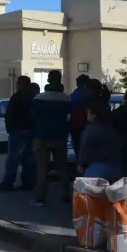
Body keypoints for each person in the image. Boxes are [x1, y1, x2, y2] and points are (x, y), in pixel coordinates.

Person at [30, 70, 71, 207]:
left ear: (48, 80)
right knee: (62, 168)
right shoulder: (66, 99)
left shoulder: (39, 98)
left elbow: (32, 117)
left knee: (41, 169)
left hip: (41, 137)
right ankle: (66, 196)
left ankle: (41, 198)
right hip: (60, 137)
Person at [0, 76, 36, 191]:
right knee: (28, 158)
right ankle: (28, 182)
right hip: (30, 131)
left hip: (18, 131)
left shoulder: (17, 97)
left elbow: (9, 114)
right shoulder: (33, 98)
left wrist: (10, 128)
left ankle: (8, 182)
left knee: (13, 158)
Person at [78, 102, 123, 182]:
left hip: (95, 169)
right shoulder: (112, 129)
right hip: (115, 169)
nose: (87, 114)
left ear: (94, 115)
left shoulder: (90, 131)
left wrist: (80, 164)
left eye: (88, 112)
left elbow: (85, 149)